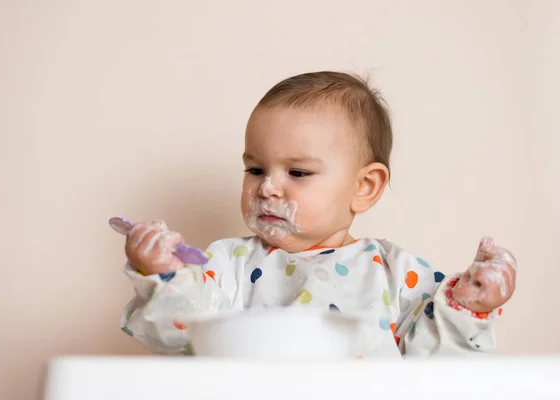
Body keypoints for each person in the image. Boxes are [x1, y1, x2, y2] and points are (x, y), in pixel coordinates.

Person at [118, 71, 517, 357]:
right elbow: (182, 337)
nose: (268, 187)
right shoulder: (226, 266)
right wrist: (164, 277)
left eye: (298, 172)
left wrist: (468, 306)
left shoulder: (396, 273)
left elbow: (436, 369)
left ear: (364, 187)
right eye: (255, 169)